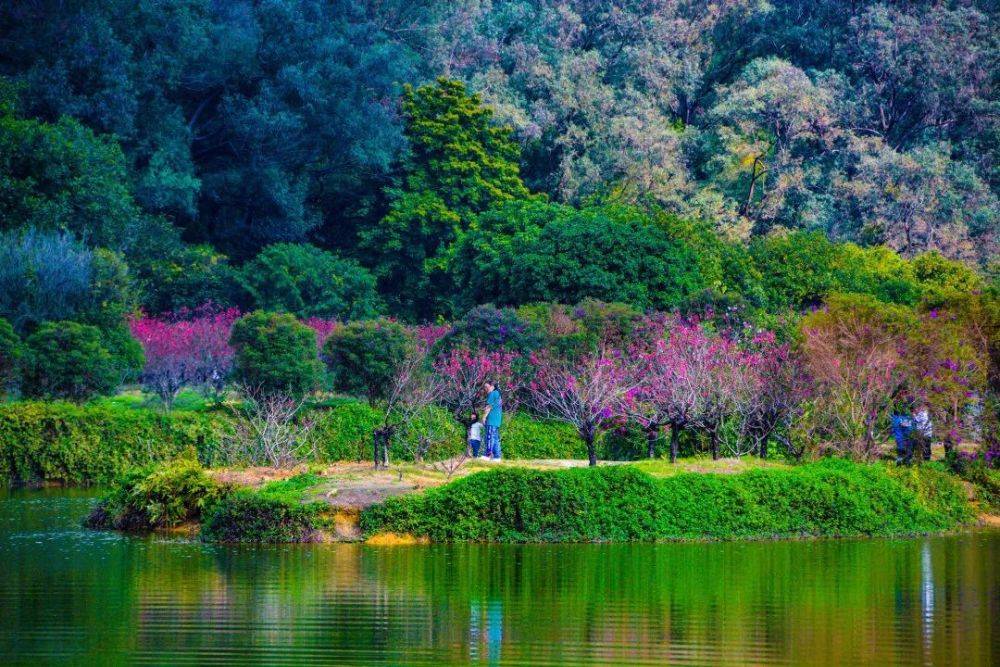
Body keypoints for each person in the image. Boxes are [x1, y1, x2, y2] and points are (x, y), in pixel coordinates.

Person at [481, 380, 503, 460]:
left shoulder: (493, 393)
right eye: (484, 387)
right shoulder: (498, 394)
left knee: (489, 437)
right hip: (497, 420)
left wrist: (484, 417)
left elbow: (488, 407)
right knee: (495, 438)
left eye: (487, 387)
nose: (485, 389)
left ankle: (487, 455)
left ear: (492, 386)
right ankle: (497, 457)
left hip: (492, 419)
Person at [891, 400, 915, 466]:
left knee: (908, 443)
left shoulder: (911, 398)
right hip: (898, 420)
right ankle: (901, 460)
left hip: (907, 421)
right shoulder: (897, 417)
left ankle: (907, 460)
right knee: (900, 443)